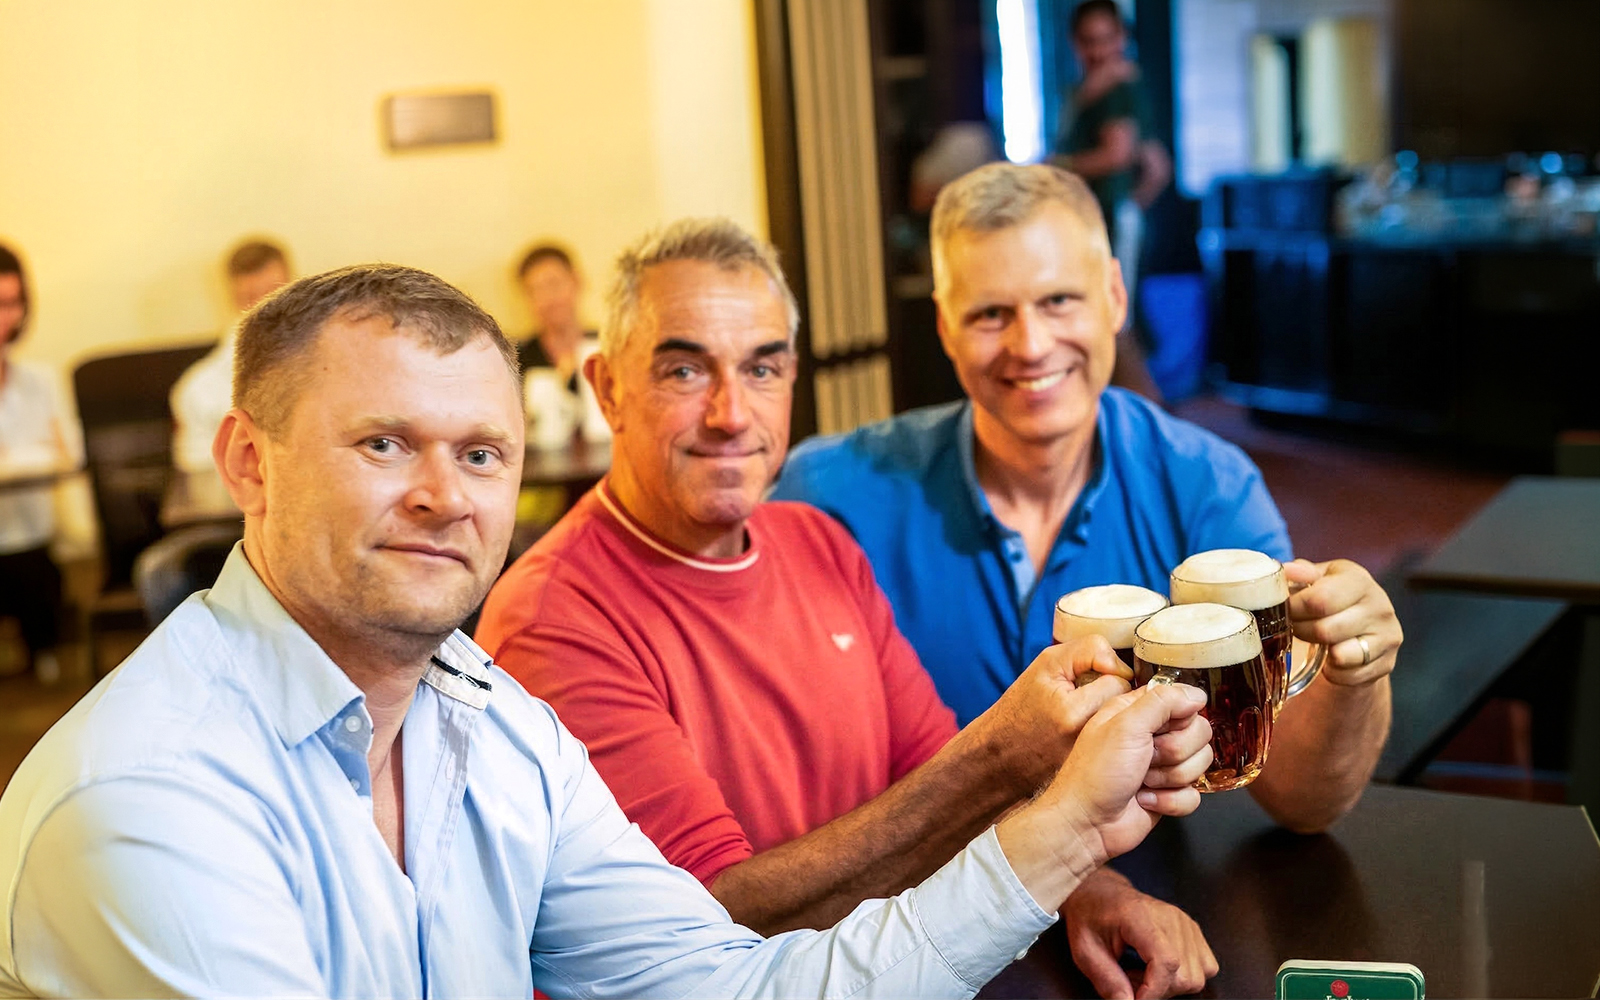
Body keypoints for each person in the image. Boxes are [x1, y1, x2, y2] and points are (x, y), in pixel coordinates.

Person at [0, 261, 1215, 998]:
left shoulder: (486, 718)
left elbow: (731, 983)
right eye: (383, 445)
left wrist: (1061, 836)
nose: (444, 496)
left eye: (480, 454)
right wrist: (1019, 786)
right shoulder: (145, 804)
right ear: (247, 464)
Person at [475, 218, 1218, 998]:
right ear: (608, 388)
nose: (732, 413)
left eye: (762, 369)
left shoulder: (813, 539)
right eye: (685, 372)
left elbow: (929, 767)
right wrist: (1005, 756)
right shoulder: (555, 617)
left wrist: (1092, 894)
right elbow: (708, 930)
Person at [772, 162, 1400, 840]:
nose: (1031, 345)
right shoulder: (832, 495)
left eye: (1059, 301)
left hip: (1154, 907)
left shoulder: (1202, 482)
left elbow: (1304, 798)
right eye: (990, 314)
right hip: (908, 911)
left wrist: (1351, 671)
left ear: (1114, 297)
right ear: (946, 327)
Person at [0, 244, 74, 684]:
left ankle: (43, 658)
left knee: (33, 570)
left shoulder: (40, 381)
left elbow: (68, 455)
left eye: (10, 304)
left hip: (31, 537)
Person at [169, 238, 291, 473]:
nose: (266, 308)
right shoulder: (199, 390)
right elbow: (198, 472)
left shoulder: (336, 367)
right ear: (234, 297)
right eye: (253, 298)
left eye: (275, 294)